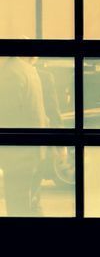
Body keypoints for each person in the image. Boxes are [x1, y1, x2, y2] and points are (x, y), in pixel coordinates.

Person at [0, 55, 49, 216]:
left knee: (18, 204)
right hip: (35, 149)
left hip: (18, 153)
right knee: (31, 202)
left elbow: (7, 114)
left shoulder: (10, 72)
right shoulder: (30, 71)